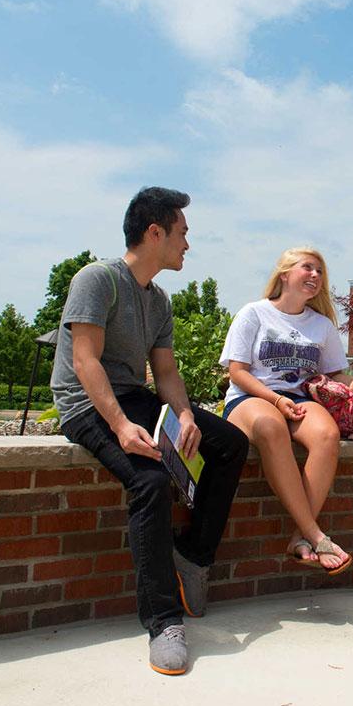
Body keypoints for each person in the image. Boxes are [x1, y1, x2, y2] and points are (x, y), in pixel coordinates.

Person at [50, 187, 249, 675]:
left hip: (136, 399)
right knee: (151, 480)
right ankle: (164, 622)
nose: (187, 244)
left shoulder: (158, 299)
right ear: (154, 232)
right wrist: (119, 427)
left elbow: (165, 374)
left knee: (230, 442)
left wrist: (183, 415)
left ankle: (193, 557)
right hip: (86, 405)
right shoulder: (97, 279)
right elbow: (84, 361)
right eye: (182, 233)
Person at [219, 247, 353, 575]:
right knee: (271, 427)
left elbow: (334, 373)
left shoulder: (322, 325)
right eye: (308, 268)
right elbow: (238, 371)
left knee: (327, 435)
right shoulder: (254, 313)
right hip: (250, 397)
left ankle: (299, 537)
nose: (316, 275)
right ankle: (316, 534)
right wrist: (274, 400)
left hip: (299, 400)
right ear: (284, 274)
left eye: (320, 272)